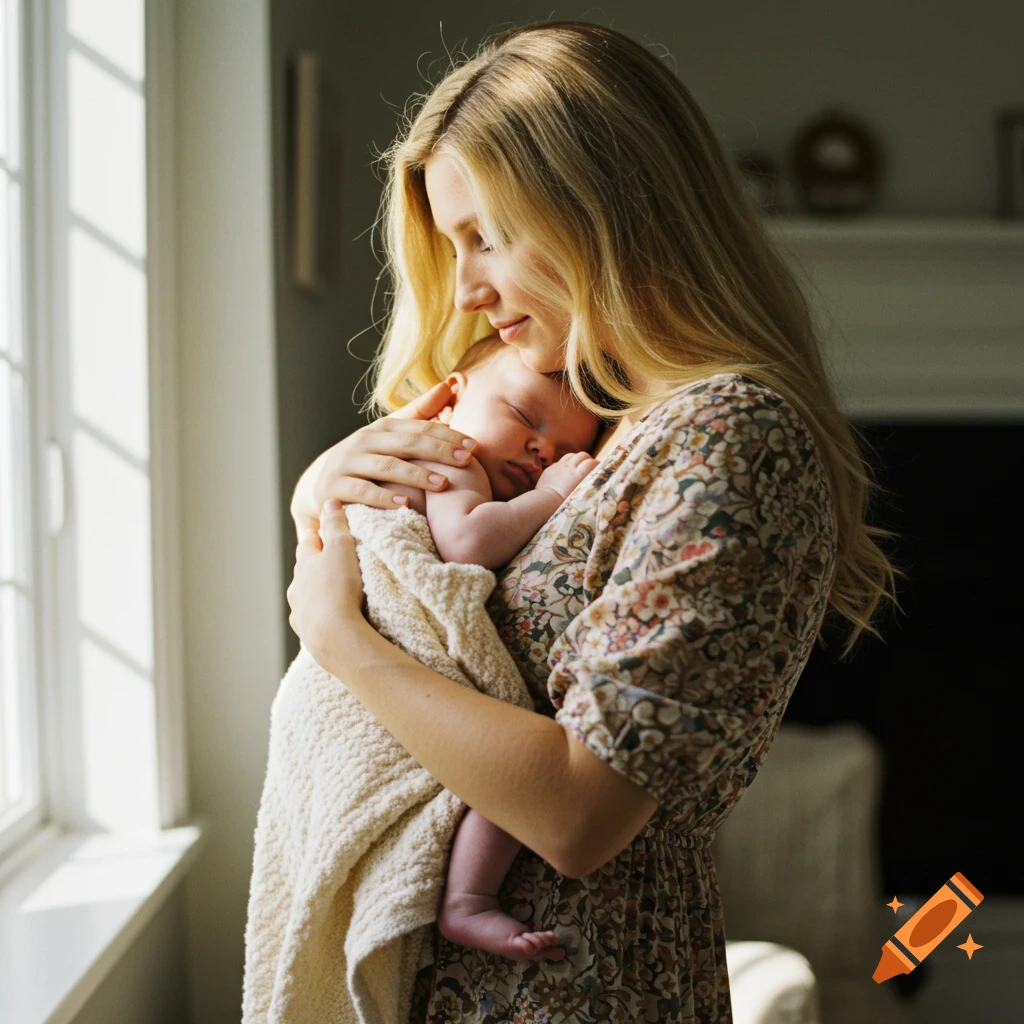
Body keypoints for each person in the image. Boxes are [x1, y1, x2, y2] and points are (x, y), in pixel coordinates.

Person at [285, 19, 897, 1024]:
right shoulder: (592, 423)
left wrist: (340, 638)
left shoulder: (731, 440)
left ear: (605, 209)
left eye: (487, 235)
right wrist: (328, 492)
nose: (470, 289)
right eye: (452, 246)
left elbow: (576, 812)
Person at [382, 335, 602, 962]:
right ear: (453, 397)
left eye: (564, 449)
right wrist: (553, 495)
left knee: (506, 770)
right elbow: (467, 544)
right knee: (508, 756)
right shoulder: (447, 458)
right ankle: (469, 901)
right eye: (525, 418)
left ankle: (467, 903)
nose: (543, 448)